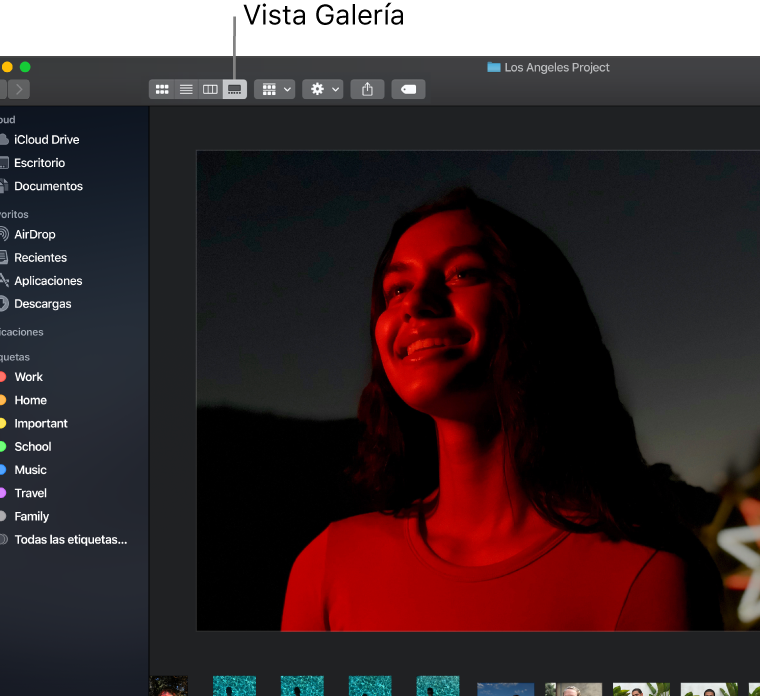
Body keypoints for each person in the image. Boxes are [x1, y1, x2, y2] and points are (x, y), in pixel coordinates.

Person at [281, 189, 723, 632]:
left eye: (462, 274)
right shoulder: (328, 567)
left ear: (538, 306)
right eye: (397, 288)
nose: (414, 303)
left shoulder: (649, 572)